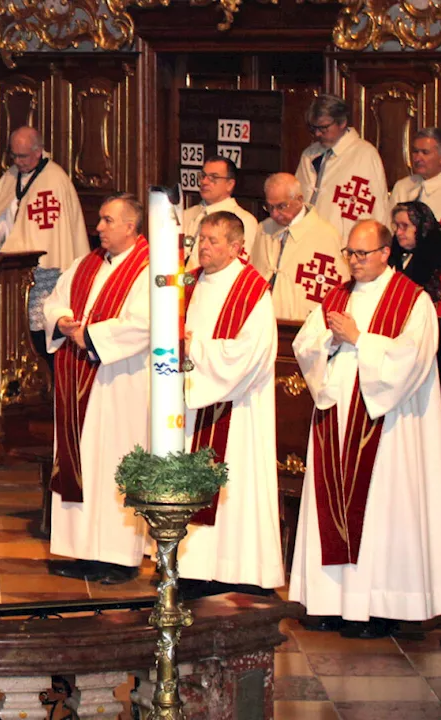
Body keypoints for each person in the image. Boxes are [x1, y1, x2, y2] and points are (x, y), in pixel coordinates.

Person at [290, 219, 441, 639]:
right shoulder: (337, 295)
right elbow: (304, 344)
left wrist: (360, 340)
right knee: (332, 506)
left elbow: (413, 358)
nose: (354, 262)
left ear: (386, 253)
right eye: (349, 253)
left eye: (362, 254)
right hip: (336, 413)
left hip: (386, 423)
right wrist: (328, 340)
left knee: (379, 511)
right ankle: (330, 602)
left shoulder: (412, 300)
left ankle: (380, 607)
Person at [40, 193, 150, 585]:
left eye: (106, 221)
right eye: (99, 220)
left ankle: (118, 556)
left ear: (130, 227)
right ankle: (77, 550)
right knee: (78, 459)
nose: (99, 228)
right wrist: (64, 321)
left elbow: (144, 323)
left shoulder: (149, 269)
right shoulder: (86, 264)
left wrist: (88, 334)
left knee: (112, 463)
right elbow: (54, 301)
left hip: (120, 381)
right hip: (77, 378)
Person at [178, 212, 283, 595]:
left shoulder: (252, 290)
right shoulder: (189, 283)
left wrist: (197, 348)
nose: (203, 247)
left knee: (236, 485)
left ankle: (241, 571)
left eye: (213, 240)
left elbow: (253, 353)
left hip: (237, 410)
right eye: (200, 239)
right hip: (193, 403)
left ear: (237, 247)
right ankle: (193, 567)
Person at [390, 201, 441, 519]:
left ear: (422, 227)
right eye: (396, 226)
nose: (399, 233)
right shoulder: (393, 260)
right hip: (399, 356)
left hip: (437, 359)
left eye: (405, 226)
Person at [0, 127, 90, 292]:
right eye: (14, 155)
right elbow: (8, 214)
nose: (18, 161)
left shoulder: (55, 179)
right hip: (10, 263)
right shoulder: (10, 176)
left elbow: (57, 234)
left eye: (22, 156)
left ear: (38, 152)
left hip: (44, 265)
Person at [251, 173, 349, 322]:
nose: (275, 214)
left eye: (281, 206)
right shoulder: (263, 229)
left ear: (299, 200)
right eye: (270, 207)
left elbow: (336, 289)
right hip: (262, 321)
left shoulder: (325, 235)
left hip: (301, 324)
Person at [295, 94, 390, 240]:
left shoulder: (364, 155)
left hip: (344, 242)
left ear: (342, 122)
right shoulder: (310, 154)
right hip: (308, 240)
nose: (317, 134)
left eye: (323, 128)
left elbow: (376, 209)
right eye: (313, 128)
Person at [389, 128, 441, 282]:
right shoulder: (403, 187)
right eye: (415, 151)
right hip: (403, 278)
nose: (418, 157)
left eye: (425, 153)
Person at [180, 156, 258, 269]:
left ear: (229, 184)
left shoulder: (244, 220)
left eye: (213, 178)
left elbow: (241, 265)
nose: (204, 181)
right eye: (202, 176)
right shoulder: (186, 215)